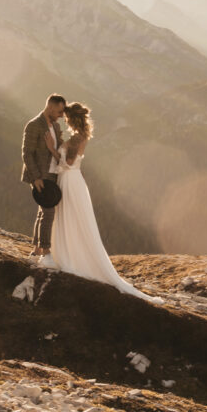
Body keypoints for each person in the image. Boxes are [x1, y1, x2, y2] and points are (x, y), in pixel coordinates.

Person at [50, 102, 161, 303]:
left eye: (66, 119)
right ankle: (72, 254)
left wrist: (53, 149)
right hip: (73, 180)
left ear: (71, 120)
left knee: (69, 217)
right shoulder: (81, 136)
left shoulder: (76, 138)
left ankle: (69, 256)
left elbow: (67, 163)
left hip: (70, 180)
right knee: (74, 218)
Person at [21, 94, 65, 265]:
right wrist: (36, 177)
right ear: (51, 107)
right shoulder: (34, 125)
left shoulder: (55, 125)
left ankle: (37, 250)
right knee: (48, 212)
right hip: (40, 175)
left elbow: (59, 147)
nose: (61, 115)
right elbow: (27, 153)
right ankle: (45, 252)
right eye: (60, 111)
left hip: (53, 174)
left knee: (43, 212)